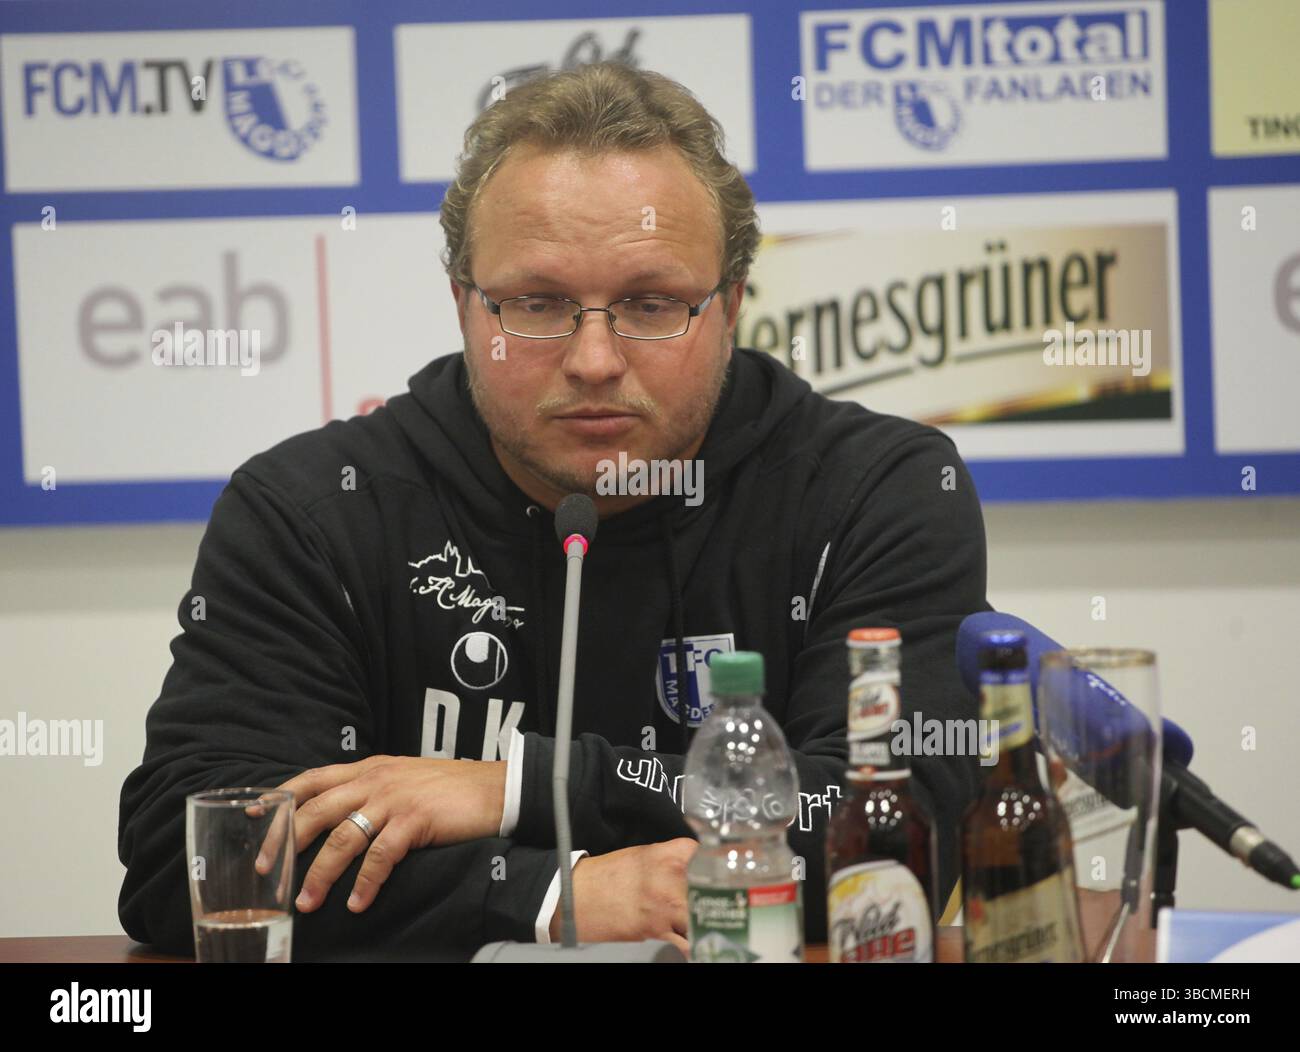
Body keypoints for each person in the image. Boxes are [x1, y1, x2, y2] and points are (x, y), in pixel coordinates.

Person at [118, 61, 992, 961]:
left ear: (730, 305)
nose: (594, 360)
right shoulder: (314, 512)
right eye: (536, 304)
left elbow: (889, 844)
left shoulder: (873, 491)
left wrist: (518, 788)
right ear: (463, 304)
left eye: (653, 304)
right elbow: (191, 866)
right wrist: (550, 896)